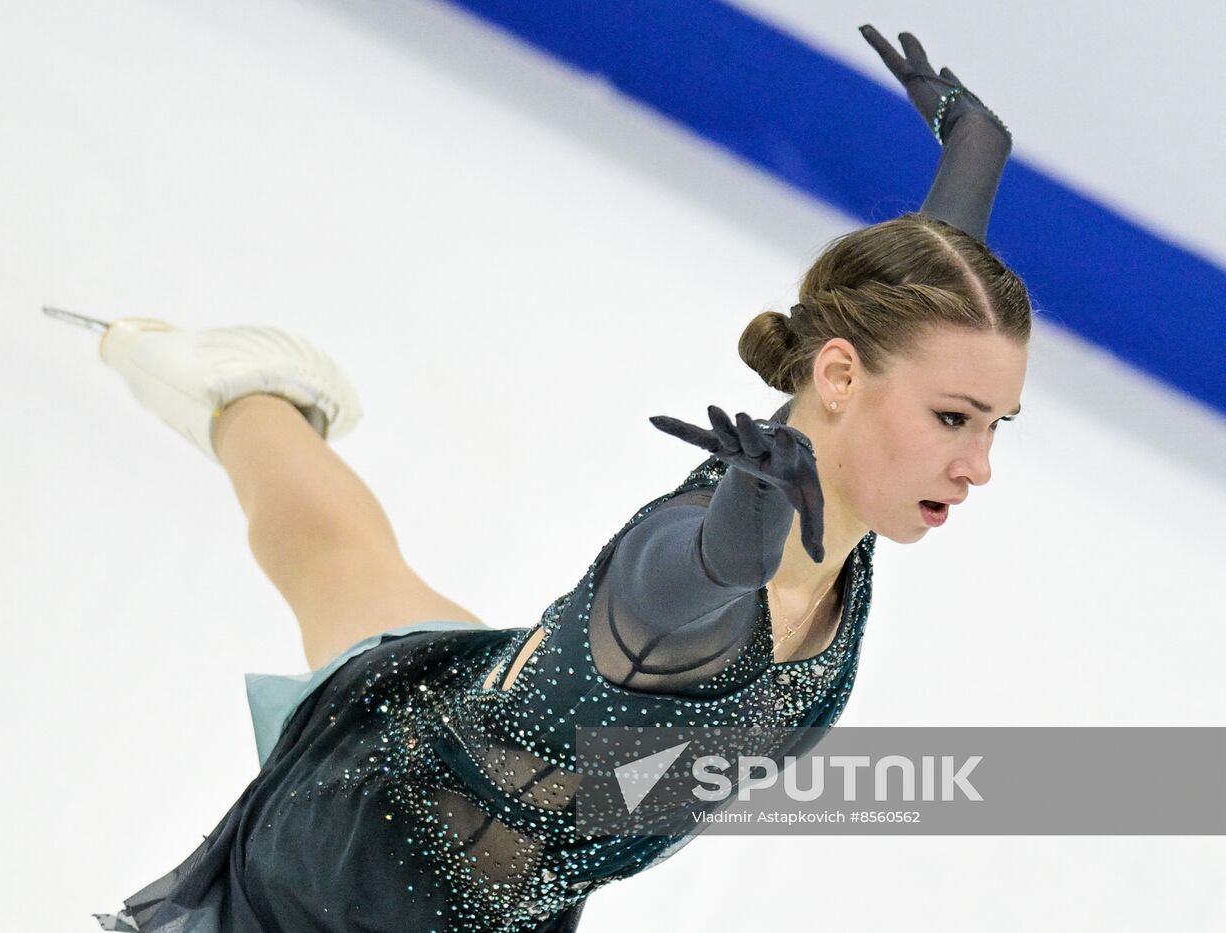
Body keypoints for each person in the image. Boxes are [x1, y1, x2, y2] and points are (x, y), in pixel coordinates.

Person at [92, 25, 1030, 933]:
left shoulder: (858, 443)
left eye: (994, 424)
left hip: (457, 739)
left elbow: (912, 316)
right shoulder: (698, 565)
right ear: (836, 377)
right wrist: (735, 536)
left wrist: (976, 148)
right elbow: (683, 579)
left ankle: (244, 390)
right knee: (342, 569)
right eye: (955, 419)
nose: (976, 464)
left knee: (342, 561)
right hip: (359, 890)